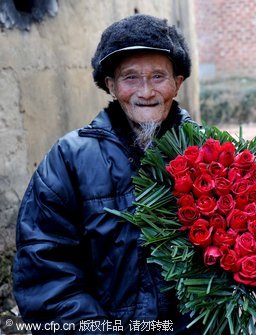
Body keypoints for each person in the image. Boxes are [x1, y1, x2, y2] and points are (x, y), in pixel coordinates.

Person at [13, 14, 200, 334]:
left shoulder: (209, 153)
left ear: (177, 82)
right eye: (130, 77)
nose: (146, 92)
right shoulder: (68, 160)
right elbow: (45, 275)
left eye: (158, 76)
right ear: (111, 85)